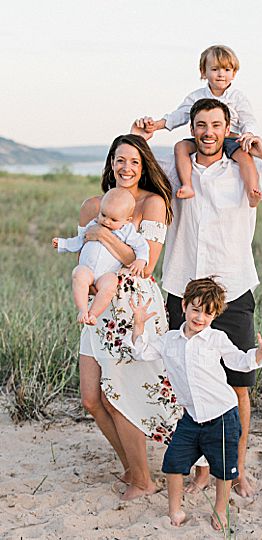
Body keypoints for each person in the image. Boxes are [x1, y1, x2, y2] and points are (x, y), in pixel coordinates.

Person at [137, 96, 262, 497]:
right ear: (192, 128)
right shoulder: (174, 170)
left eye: (216, 125)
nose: (207, 132)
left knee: (238, 387)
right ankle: (201, 468)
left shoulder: (244, 170)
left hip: (233, 290)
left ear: (227, 128)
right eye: (200, 125)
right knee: (185, 381)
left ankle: (235, 468)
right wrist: (140, 135)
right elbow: (133, 170)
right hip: (183, 290)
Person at [124, 278, 262, 530]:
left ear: (215, 315)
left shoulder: (216, 339)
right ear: (184, 306)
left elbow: (240, 362)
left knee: (222, 469)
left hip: (222, 415)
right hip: (190, 418)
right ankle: (175, 511)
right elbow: (141, 352)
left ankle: (220, 510)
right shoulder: (169, 340)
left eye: (208, 313)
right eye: (195, 309)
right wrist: (139, 325)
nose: (200, 317)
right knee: (173, 463)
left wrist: (261, 351)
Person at [75, 134, 183, 501]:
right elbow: (84, 257)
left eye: (135, 162)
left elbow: (145, 265)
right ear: (110, 163)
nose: (127, 168)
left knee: (122, 394)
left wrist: (102, 233)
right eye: (120, 160)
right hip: (99, 309)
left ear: (144, 166)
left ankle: (144, 478)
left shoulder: (153, 204)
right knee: (91, 397)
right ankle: (133, 469)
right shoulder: (92, 204)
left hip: (134, 310)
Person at [134, 45, 262, 206]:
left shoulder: (237, 97)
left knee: (245, 157)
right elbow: (178, 115)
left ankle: (252, 191)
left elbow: (248, 119)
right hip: (202, 140)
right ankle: (187, 185)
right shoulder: (197, 96)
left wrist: (249, 134)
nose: (221, 74)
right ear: (204, 72)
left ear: (234, 73)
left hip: (231, 140)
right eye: (215, 69)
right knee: (180, 147)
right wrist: (157, 125)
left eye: (227, 69)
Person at [53, 187, 149, 325]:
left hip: (106, 273)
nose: (106, 221)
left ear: (126, 220)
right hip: (88, 270)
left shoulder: (127, 231)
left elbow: (142, 246)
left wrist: (141, 259)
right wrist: (63, 244)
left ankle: (93, 314)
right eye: (103, 215)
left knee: (111, 285)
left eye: (113, 219)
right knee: (78, 273)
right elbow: (80, 240)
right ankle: (83, 309)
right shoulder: (93, 224)